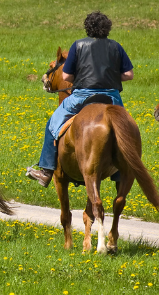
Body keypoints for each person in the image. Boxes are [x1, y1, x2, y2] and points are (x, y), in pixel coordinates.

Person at [26, 11, 134, 187]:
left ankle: (46, 171)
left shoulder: (78, 45)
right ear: (107, 28)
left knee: (53, 124)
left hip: (82, 96)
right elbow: (129, 75)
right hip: (111, 98)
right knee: (126, 130)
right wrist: (111, 76)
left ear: (87, 28)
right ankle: (123, 171)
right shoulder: (116, 46)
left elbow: (67, 77)